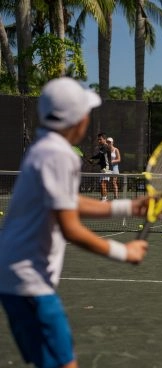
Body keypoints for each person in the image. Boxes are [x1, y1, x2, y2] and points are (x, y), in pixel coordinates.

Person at [0, 77, 149, 368]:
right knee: (65, 364)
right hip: (28, 281)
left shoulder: (44, 147)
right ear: (76, 119)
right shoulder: (58, 154)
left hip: (15, 276)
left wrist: (127, 207)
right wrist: (124, 253)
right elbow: (71, 228)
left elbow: (69, 201)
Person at [91, 132, 112, 201]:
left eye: (100, 139)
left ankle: (104, 199)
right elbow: (102, 159)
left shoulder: (105, 147)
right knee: (102, 184)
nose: (99, 141)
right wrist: (95, 163)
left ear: (104, 139)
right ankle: (104, 198)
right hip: (103, 168)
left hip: (107, 169)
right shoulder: (102, 148)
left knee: (103, 184)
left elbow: (99, 156)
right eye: (98, 139)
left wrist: (91, 158)